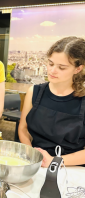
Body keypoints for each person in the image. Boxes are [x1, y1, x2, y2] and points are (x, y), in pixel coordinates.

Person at [18, 36, 85, 168]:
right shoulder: (34, 92)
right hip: (37, 162)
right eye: (50, 63)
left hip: (71, 167)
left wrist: (55, 160)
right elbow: (23, 129)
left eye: (62, 67)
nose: (53, 70)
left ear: (78, 69)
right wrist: (32, 154)